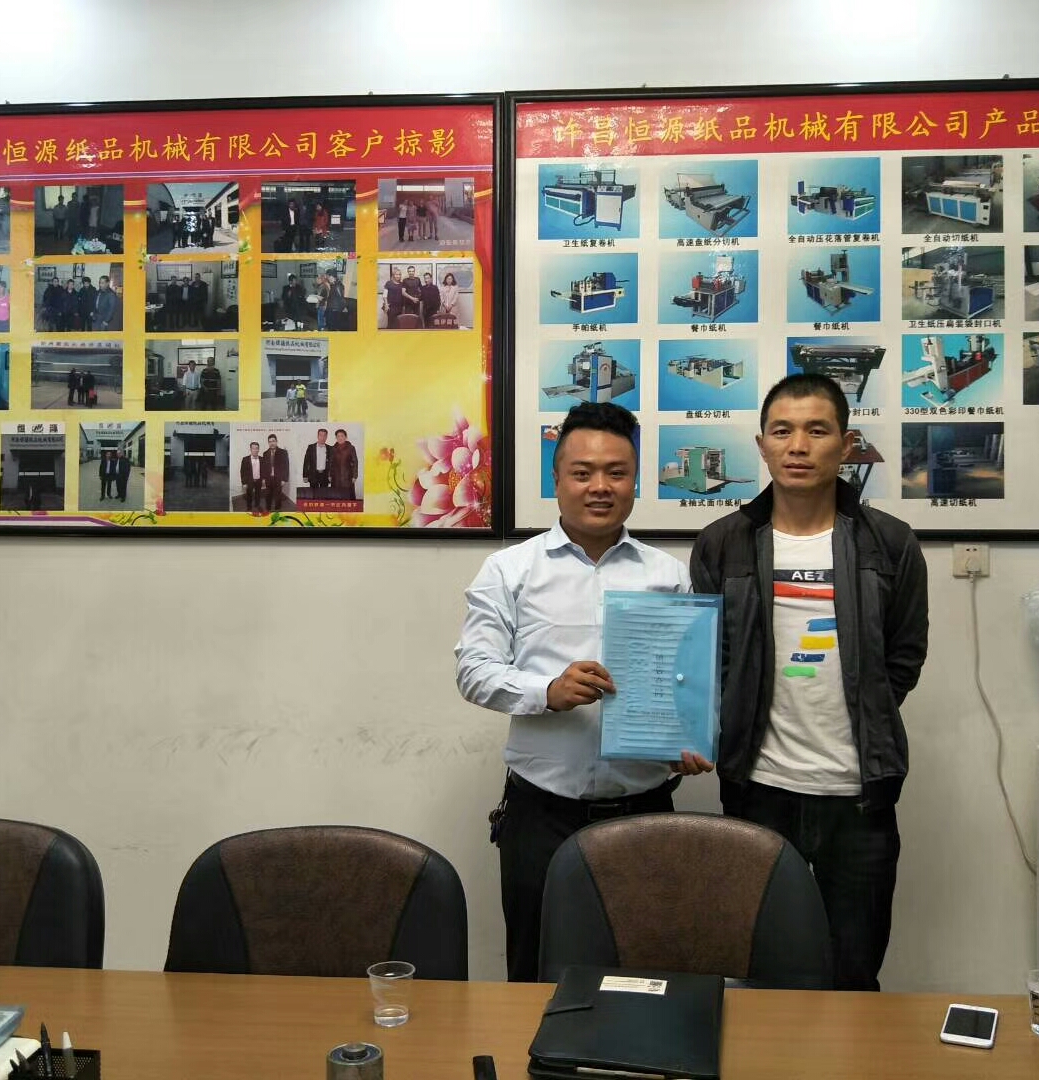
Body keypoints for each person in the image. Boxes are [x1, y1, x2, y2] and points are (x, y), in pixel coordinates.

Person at [454, 401, 713, 982]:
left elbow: (684, 681)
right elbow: (473, 669)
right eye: (582, 472)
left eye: (617, 473)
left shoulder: (668, 575)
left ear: (635, 480)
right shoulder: (510, 570)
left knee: (643, 969)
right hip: (540, 813)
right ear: (557, 479)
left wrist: (686, 735)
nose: (600, 486)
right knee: (535, 971)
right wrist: (546, 690)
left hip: (644, 810)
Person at [689, 373, 928, 993]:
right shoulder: (722, 543)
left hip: (860, 799)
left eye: (817, 431)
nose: (798, 446)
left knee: (854, 975)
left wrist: (868, 709)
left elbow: (904, 655)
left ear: (846, 445)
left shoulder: (889, 542)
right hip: (759, 792)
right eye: (783, 431)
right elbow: (710, 659)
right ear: (762, 445)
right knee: (763, 974)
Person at [329, 428, 359, 500]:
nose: (340, 438)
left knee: (348, 496)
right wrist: (329, 475)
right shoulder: (333, 448)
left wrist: (354, 476)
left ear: (346, 437)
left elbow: (355, 462)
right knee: (336, 496)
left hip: (347, 476)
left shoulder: (351, 448)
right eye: (338, 436)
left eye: (342, 436)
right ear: (336, 438)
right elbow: (330, 463)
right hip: (335, 476)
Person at [262, 432, 289, 512]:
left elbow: (286, 466)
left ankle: (277, 509)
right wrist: (263, 478)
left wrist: (284, 479)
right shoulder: (265, 453)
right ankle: (268, 509)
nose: (272, 443)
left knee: (278, 496)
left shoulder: (283, 452)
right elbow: (264, 467)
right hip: (268, 478)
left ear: (276, 441)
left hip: (279, 478)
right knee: (268, 495)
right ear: (268, 443)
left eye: (273, 441)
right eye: (270, 441)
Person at [302, 427, 332, 494]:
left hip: (325, 475)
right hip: (313, 474)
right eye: (321, 435)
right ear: (318, 436)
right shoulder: (311, 447)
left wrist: (330, 475)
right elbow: (306, 462)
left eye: (324, 435)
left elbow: (331, 463)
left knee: (324, 494)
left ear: (326, 437)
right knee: (313, 494)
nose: (322, 437)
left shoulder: (330, 448)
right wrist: (305, 475)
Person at [240, 441, 265, 513]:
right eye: (253, 448)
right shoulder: (245, 459)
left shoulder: (262, 459)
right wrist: (244, 483)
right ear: (250, 449)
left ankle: (257, 505)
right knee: (249, 495)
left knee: (258, 494)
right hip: (249, 481)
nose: (255, 450)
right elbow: (242, 471)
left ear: (258, 449)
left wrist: (263, 479)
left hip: (259, 480)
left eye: (257, 448)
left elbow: (263, 470)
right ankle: (249, 507)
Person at [383, 265, 405, 329]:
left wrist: (403, 307)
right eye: (396, 274)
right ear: (393, 275)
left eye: (399, 274)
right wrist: (386, 305)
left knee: (398, 324)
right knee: (391, 324)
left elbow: (403, 295)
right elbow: (384, 295)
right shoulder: (388, 283)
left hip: (399, 307)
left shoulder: (402, 284)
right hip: (391, 307)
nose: (398, 276)